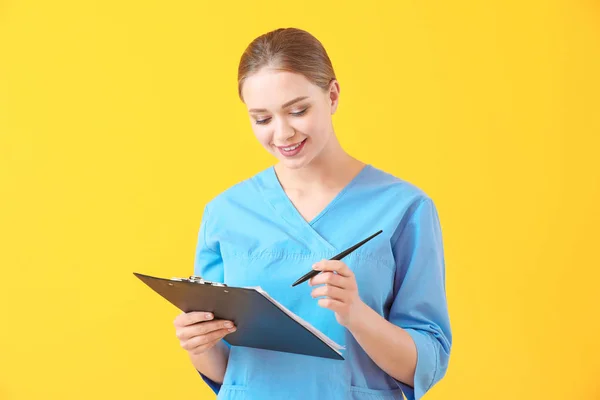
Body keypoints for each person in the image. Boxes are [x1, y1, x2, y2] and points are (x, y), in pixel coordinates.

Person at [172, 27, 451, 400]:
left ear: (332, 96)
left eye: (298, 110)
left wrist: (355, 313)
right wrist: (199, 345)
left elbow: (425, 365)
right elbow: (231, 375)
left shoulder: (404, 208)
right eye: (262, 119)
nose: (282, 133)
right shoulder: (225, 212)